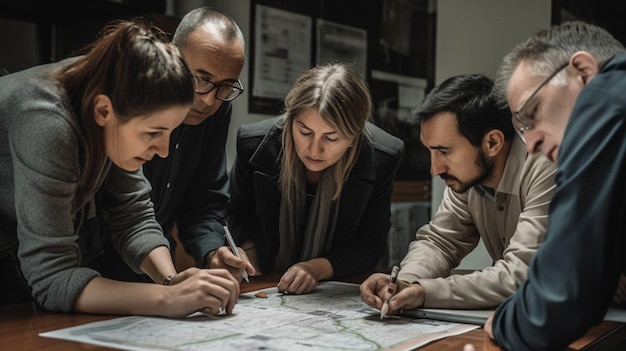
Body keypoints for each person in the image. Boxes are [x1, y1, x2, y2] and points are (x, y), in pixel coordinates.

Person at [0, 19, 240, 316]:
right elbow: (52, 279)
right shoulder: (47, 121)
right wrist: (167, 300)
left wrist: (171, 281)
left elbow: (133, 216)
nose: (163, 150)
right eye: (153, 133)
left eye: (170, 132)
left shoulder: (114, 94)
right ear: (103, 111)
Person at [472, 20, 626, 350]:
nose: (531, 144)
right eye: (522, 127)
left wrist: (504, 322)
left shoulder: (605, 100)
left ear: (583, 73)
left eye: (534, 112)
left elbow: (558, 302)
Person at [360, 74, 557, 312]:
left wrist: (425, 292)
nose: (435, 169)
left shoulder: (547, 163)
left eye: (444, 152)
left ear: (493, 143)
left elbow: (524, 271)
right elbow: (441, 242)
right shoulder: (470, 176)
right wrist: (405, 282)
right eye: (431, 152)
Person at [88, 7, 255, 283]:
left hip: (153, 266)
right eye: (200, 79)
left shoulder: (216, 109)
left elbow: (203, 202)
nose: (208, 101)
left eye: (225, 86)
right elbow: (127, 212)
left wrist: (212, 251)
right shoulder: (123, 96)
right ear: (170, 55)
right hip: (88, 265)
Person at [226, 62, 405, 294]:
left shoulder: (382, 156)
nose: (314, 149)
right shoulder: (253, 144)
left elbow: (370, 245)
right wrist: (252, 266)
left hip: (337, 286)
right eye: (304, 132)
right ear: (290, 120)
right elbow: (237, 216)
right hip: (263, 280)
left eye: (331, 138)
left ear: (355, 136)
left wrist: (315, 269)